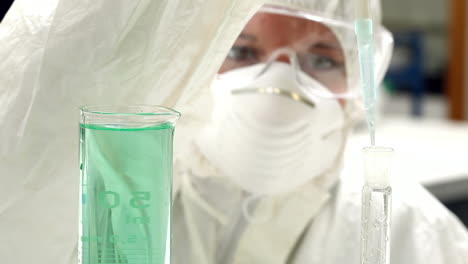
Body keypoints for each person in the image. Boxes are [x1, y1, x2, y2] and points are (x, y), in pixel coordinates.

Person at [171, 3, 468, 264]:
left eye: (322, 60)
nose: (278, 89)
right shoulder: (137, 206)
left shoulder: (413, 231)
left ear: (358, 74)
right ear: (193, 59)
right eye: (241, 51)